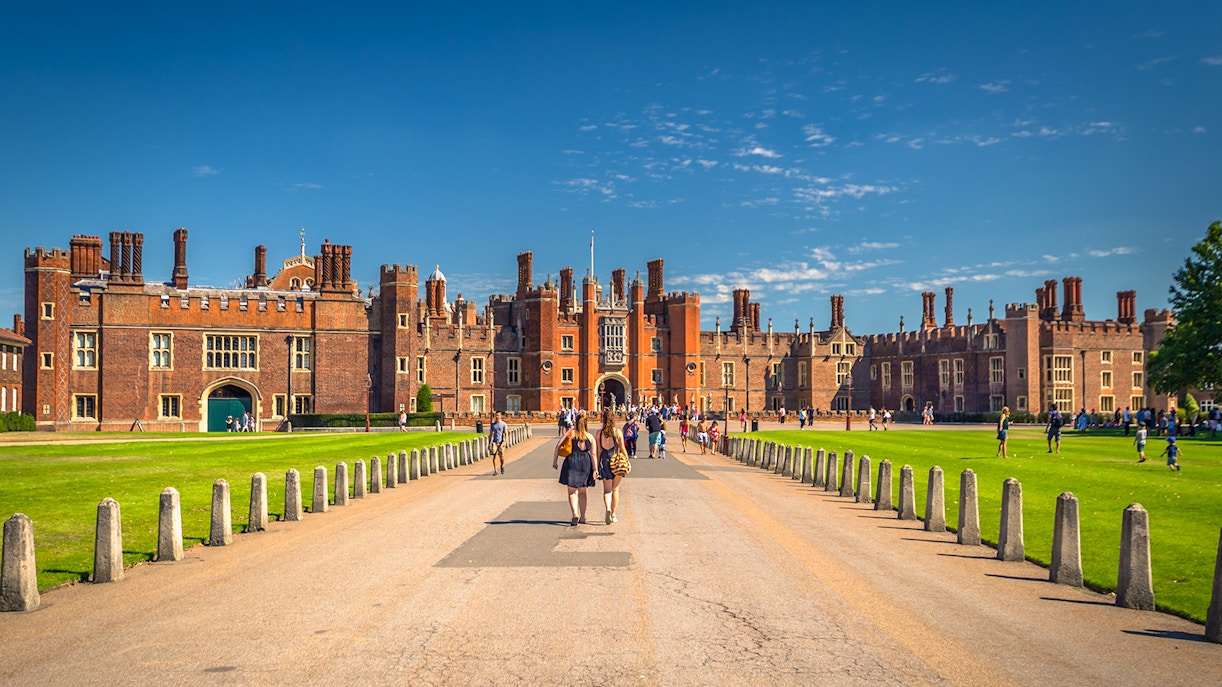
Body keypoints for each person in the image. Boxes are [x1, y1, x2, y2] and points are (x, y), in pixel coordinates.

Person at [554, 413, 598, 526]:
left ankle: (575, 514)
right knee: (582, 492)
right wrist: (595, 469)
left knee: (572, 491)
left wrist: (555, 461)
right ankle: (583, 517)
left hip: (572, 461)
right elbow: (593, 454)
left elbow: (558, 445)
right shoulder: (590, 436)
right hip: (585, 462)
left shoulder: (570, 433)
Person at [596, 411, 626, 524]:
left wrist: (597, 465)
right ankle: (613, 514)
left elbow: (598, 451)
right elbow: (622, 448)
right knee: (615, 489)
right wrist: (627, 461)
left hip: (604, 461)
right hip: (616, 461)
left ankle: (608, 508)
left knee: (607, 489)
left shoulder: (599, 433)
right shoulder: (617, 432)